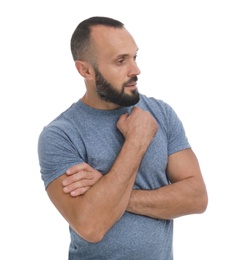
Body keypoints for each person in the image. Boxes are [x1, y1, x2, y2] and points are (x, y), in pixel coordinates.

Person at [38, 16, 208, 260]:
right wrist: (136, 141)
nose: (135, 70)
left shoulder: (161, 113)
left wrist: (106, 189)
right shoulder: (60, 135)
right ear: (85, 70)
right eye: (120, 61)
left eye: (134, 57)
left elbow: (197, 198)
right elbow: (91, 226)